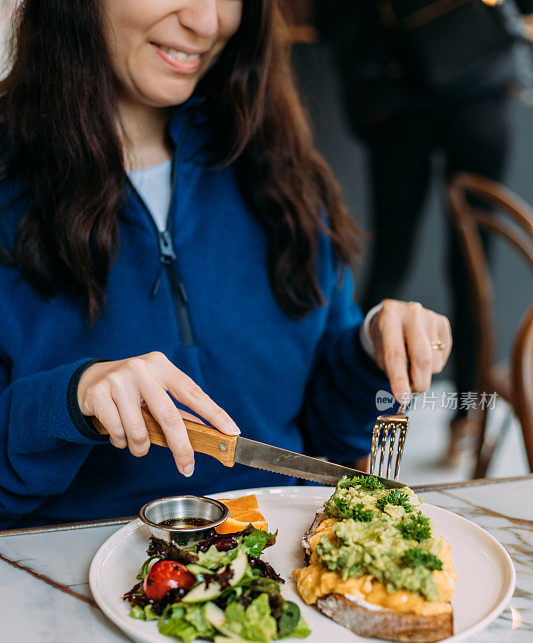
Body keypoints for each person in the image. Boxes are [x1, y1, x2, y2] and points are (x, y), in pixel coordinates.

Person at [0, 0, 451, 530]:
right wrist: (68, 401)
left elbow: (331, 437)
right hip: (59, 576)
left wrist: (371, 354)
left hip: (276, 560)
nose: (207, 21)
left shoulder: (277, 167)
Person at [315, 0, 533, 464]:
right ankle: (413, 423)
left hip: (425, 88)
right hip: (435, 88)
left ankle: (429, 423)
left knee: (448, 264)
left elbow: (331, 19)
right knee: (448, 265)